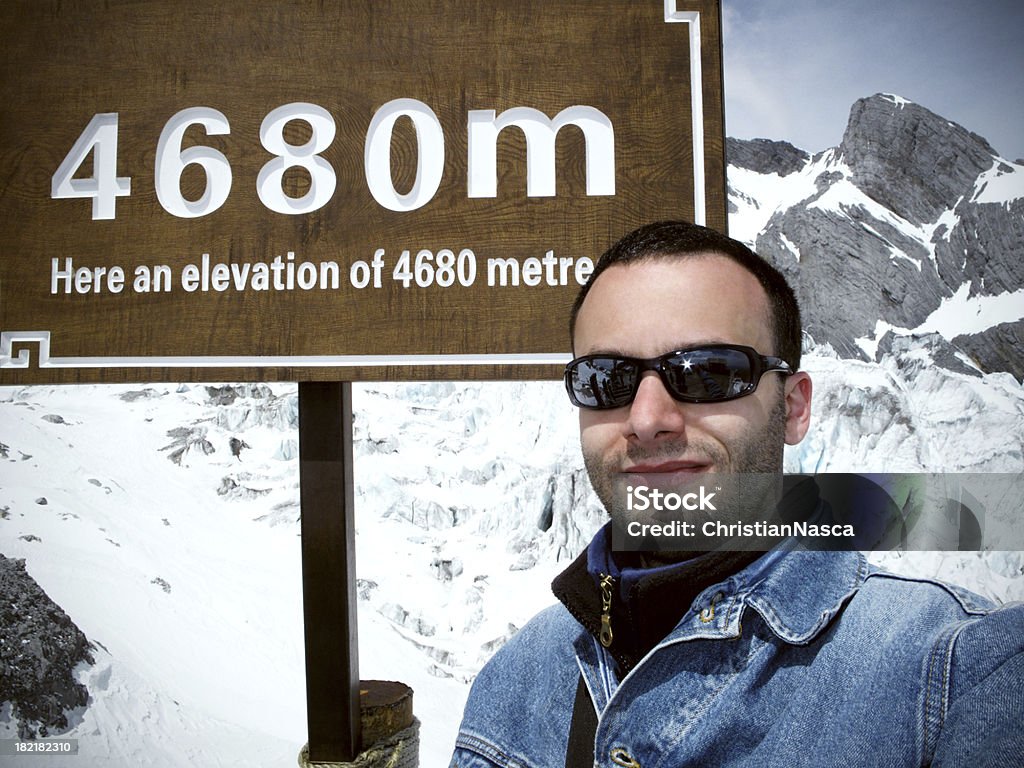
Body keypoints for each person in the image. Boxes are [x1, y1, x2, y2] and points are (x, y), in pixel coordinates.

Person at [449, 221, 1024, 767]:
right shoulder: (516, 683)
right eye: (607, 379)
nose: (648, 419)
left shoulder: (958, 675)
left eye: (708, 372)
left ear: (794, 408)